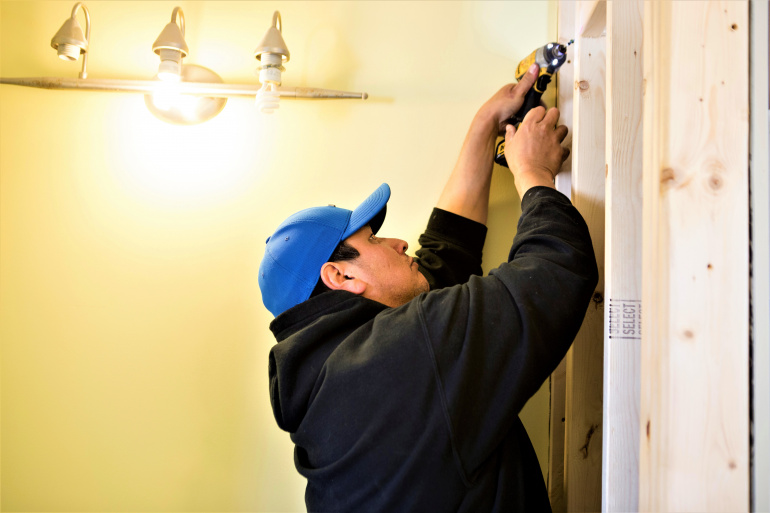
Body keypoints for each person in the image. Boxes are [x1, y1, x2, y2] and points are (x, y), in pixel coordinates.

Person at [258, 63, 598, 512]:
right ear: (340, 276)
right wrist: (533, 172)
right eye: (373, 240)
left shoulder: (335, 377)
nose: (400, 241)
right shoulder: (400, 357)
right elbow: (554, 273)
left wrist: (483, 128)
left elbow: (443, 260)